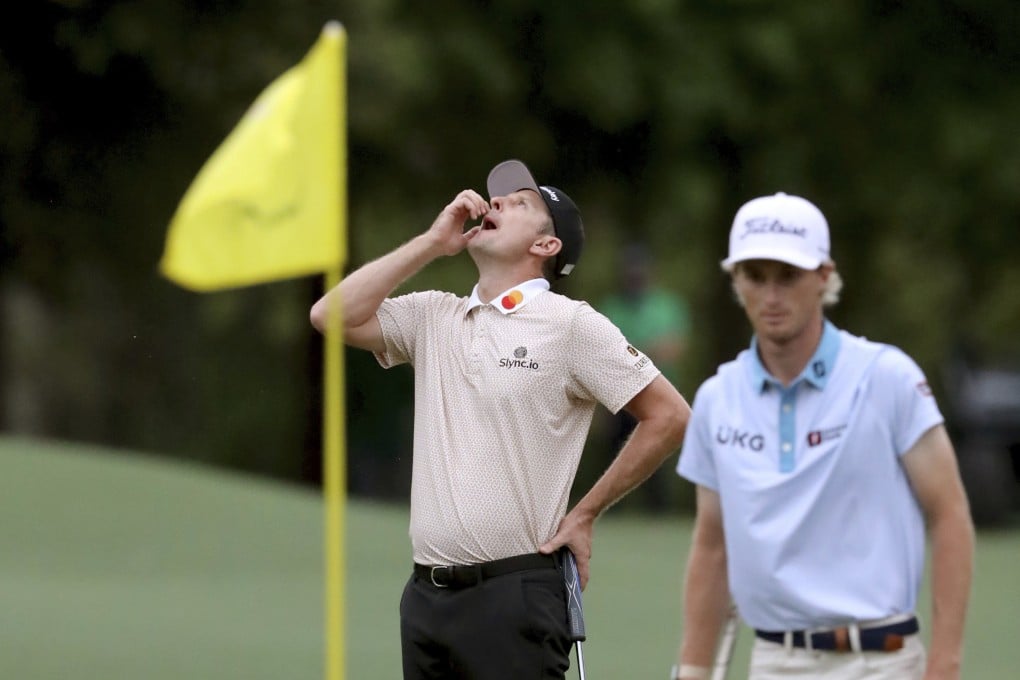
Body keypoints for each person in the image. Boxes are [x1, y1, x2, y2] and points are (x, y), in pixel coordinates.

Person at [311, 159, 690, 680]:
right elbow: (328, 316)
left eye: (520, 203)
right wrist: (431, 243)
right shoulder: (433, 315)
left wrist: (585, 514)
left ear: (546, 245)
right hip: (425, 600)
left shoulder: (571, 324)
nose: (496, 203)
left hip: (515, 597)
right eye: (499, 198)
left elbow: (669, 416)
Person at [673, 192, 974, 680]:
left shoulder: (887, 378)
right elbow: (712, 546)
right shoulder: (717, 398)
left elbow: (949, 514)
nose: (772, 296)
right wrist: (692, 670)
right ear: (736, 281)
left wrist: (945, 664)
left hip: (882, 660)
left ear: (824, 277)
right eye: (755, 276)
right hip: (774, 662)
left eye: (788, 276)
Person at [599, 243, 691, 512]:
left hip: (657, 393)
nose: (635, 275)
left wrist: (630, 352)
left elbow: (674, 348)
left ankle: (658, 513)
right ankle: (610, 510)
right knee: (614, 454)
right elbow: (602, 354)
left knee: (656, 458)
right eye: (630, 270)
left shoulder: (667, 305)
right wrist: (647, 352)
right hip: (619, 395)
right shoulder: (612, 305)